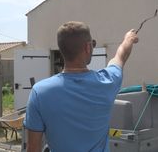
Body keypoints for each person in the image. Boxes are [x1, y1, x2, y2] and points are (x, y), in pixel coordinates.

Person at [24, 21, 139, 152]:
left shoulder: (39, 92)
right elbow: (120, 56)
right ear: (88, 47)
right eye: (93, 44)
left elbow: (33, 148)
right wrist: (128, 39)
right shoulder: (107, 82)